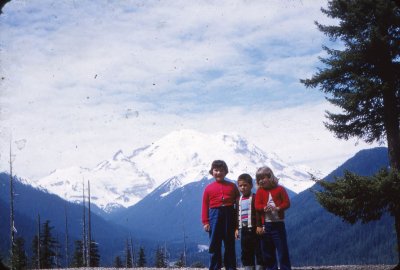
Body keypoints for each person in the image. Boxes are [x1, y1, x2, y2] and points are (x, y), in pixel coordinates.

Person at [202, 160, 240, 270]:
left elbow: (238, 205)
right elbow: (205, 206)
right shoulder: (208, 188)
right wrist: (205, 222)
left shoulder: (232, 186)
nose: (218, 173)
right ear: (212, 172)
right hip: (214, 217)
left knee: (229, 245)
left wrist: (237, 224)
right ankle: (214, 267)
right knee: (214, 245)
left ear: (226, 172)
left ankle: (231, 267)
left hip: (229, 216)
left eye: (221, 170)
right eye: (216, 170)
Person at [254, 166, 291, 270]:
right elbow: (257, 206)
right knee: (268, 252)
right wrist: (264, 208)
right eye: (259, 179)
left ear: (270, 176)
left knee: (282, 251)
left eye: (263, 178)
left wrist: (277, 208)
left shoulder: (280, 189)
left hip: (278, 224)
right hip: (266, 224)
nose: (261, 181)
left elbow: (287, 203)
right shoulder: (260, 192)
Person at [236, 173, 265, 270]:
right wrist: (236, 228)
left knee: (258, 250)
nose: (243, 188)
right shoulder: (238, 200)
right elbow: (236, 215)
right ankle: (248, 267)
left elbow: (259, 213)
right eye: (240, 186)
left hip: (255, 229)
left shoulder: (255, 197)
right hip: (243, 230)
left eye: (245, 185)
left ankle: (261, 267)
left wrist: (259, 225)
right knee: (245, 250)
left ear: (251, 186)